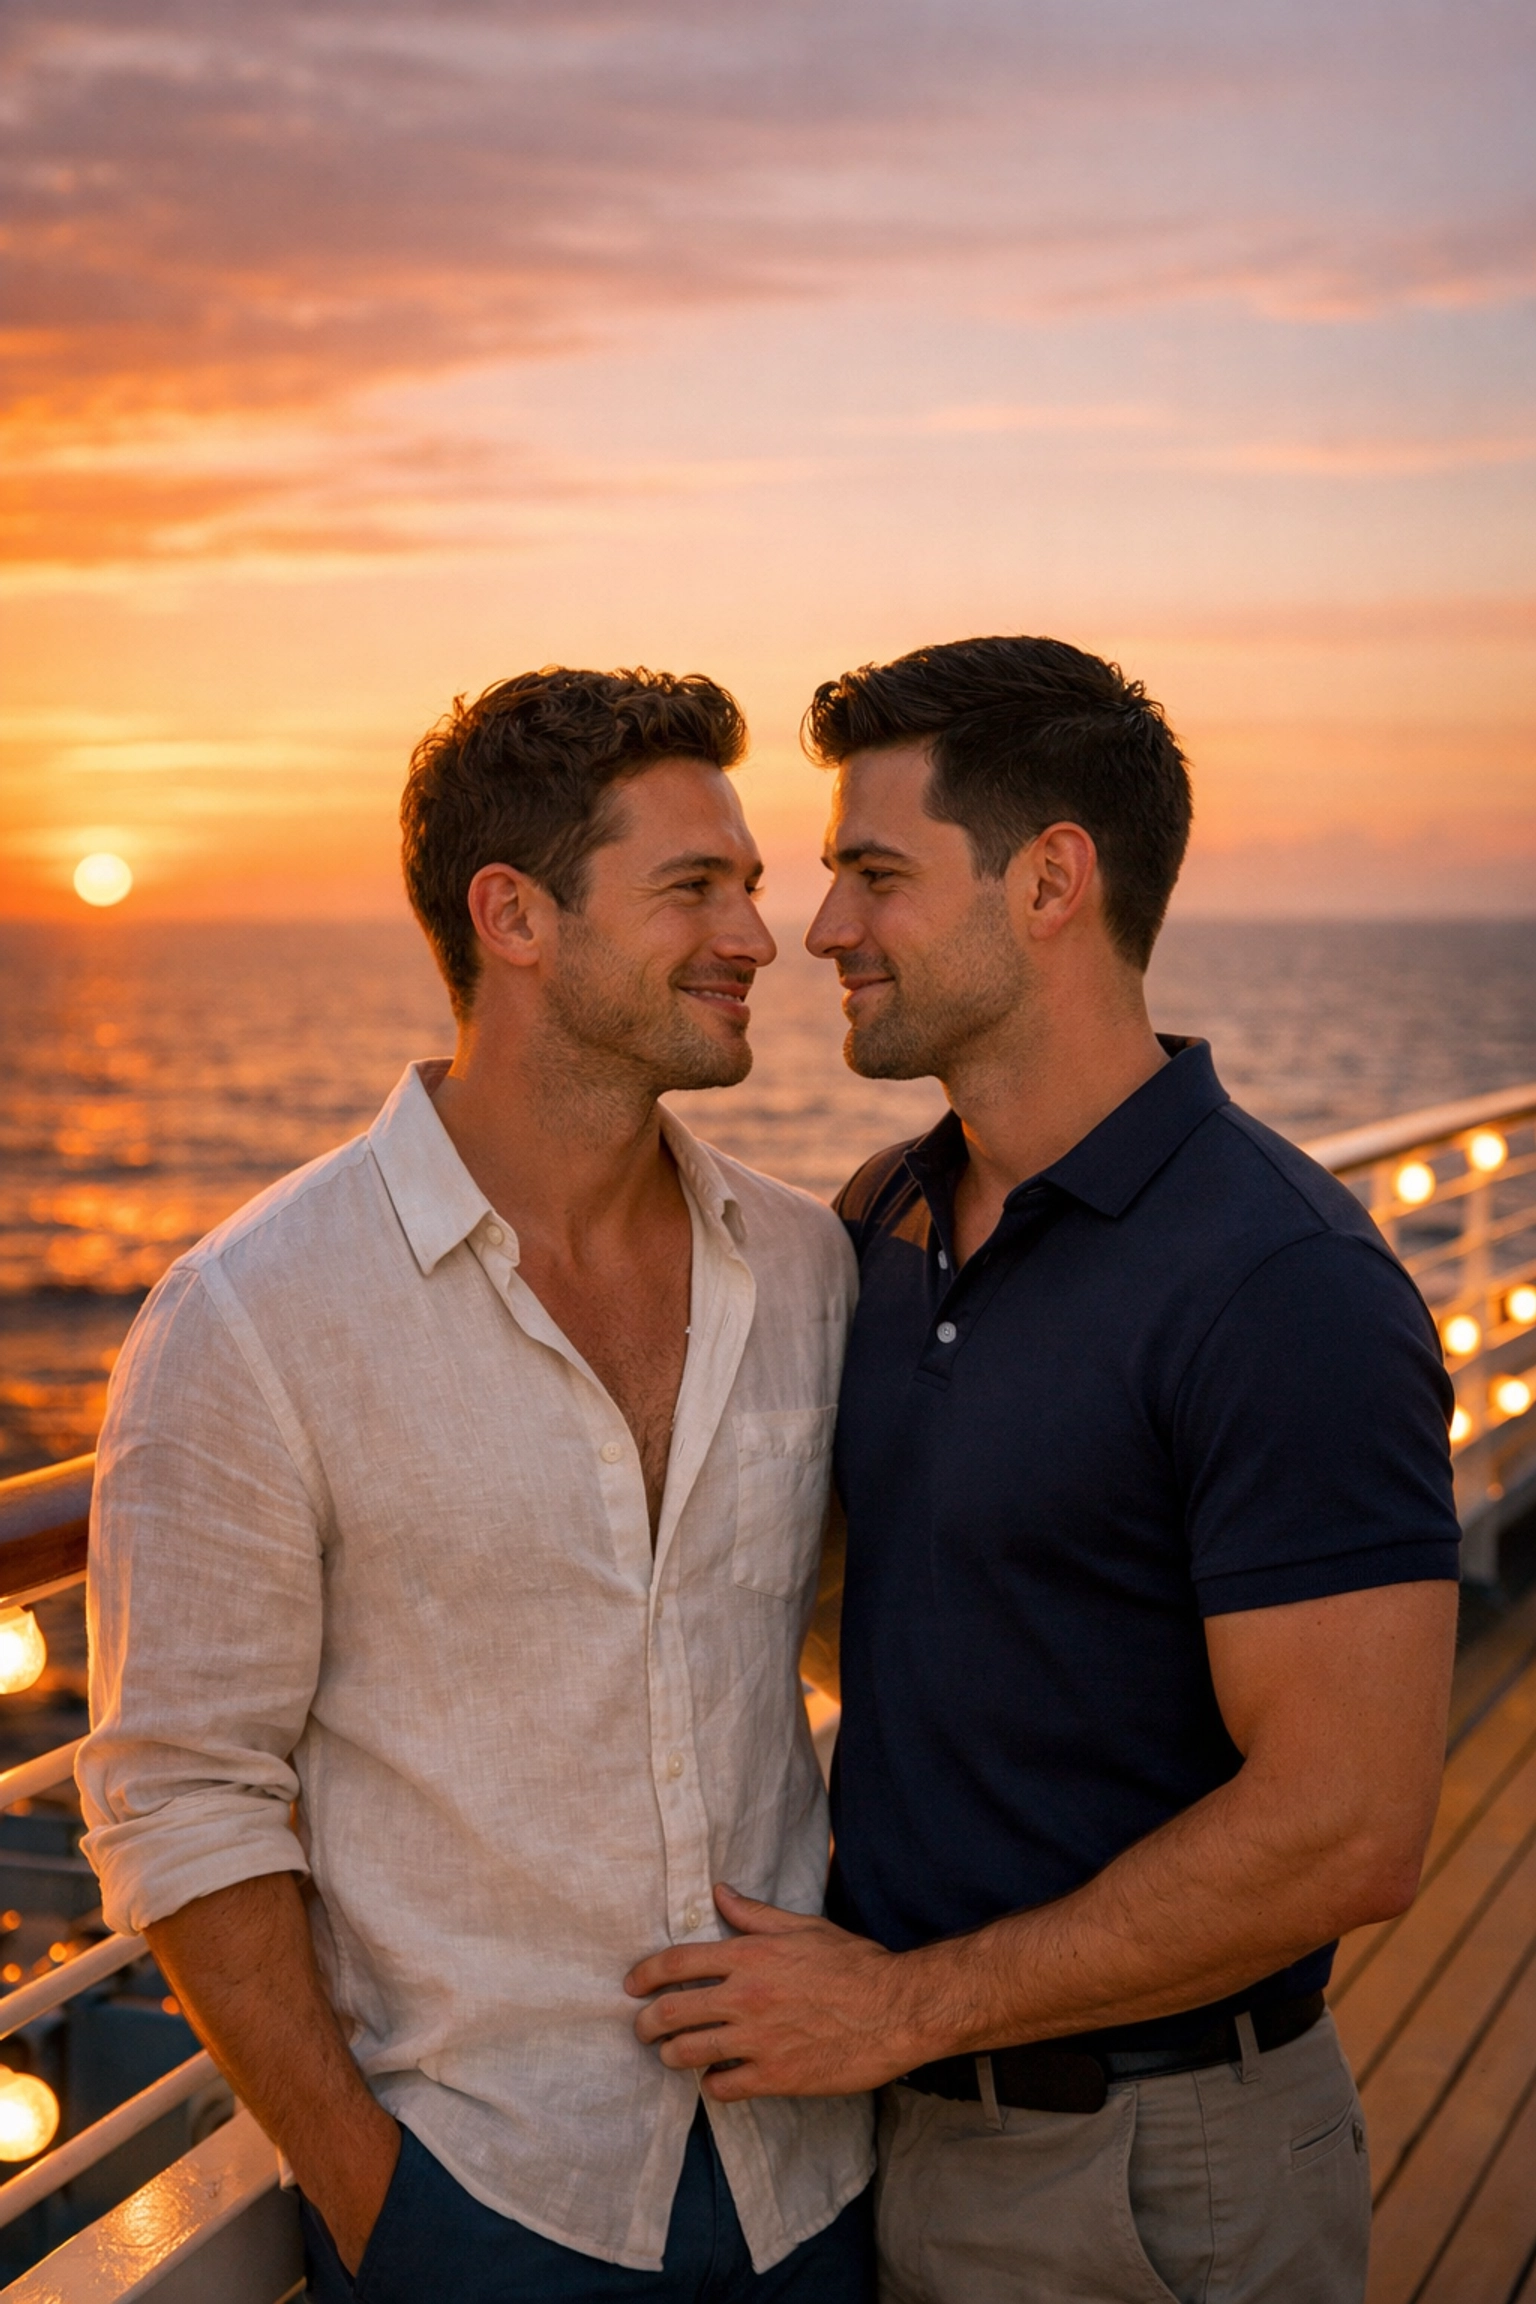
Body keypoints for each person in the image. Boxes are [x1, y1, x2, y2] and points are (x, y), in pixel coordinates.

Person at [625, 635, 1461, 2304]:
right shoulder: (885, 1217)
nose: (824, 929)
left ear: (1052, 881)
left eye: (876, 872)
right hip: (899, 2136)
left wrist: (898, 2006)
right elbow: (883, 1610)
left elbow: (1350, 1828)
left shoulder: (1280, 1283)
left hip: (1156, 2168)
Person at [79, 667, 874, 2303]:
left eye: (750, 882)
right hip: (485, 2200)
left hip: (818, 2173)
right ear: (512, 915)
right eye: (692, 888)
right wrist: (381, 2206)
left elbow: (855, 1633)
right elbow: (181, 1790)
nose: (757, 934)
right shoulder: (255, 1317)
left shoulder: (805, 1265)